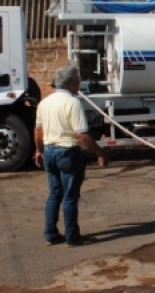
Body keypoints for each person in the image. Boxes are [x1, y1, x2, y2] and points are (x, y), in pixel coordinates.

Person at [34, 66, 107, 247]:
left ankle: (51, 233)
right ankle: (72, 236)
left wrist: (39, 150)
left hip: (50, 151)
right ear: (72, 83)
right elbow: (82, 134)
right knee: (70, 196)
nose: (79, 85)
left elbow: (38, 131)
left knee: (54, 194)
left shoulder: (44, 102)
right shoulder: (73, 103)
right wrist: (99, 153)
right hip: (67, 152)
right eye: (78, 81)